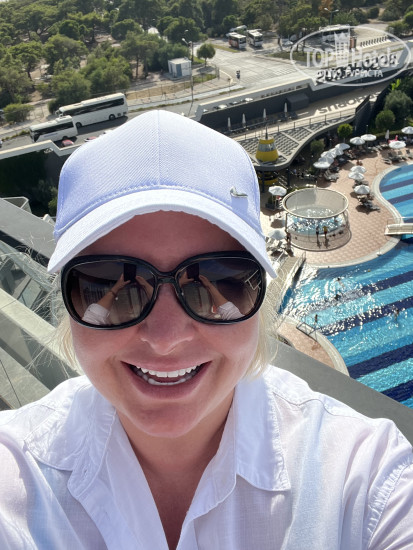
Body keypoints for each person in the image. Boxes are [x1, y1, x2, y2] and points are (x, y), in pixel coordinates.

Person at [0, 110, 412, 549]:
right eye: (110, 282)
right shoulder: (15, 474)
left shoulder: (363, 476)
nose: (165, 338)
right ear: (66, 301)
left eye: (218, 277)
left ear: (260, 299)